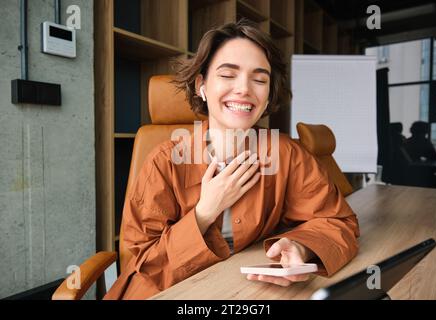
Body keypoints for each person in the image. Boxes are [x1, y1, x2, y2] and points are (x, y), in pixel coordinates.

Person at [104, 20, 360, 300]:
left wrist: (302, 247)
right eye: (228, 75)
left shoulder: (285, 154)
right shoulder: (163, 161)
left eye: (260, 79)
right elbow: (144, 263)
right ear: (202, 85)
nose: (244, 89)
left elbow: (337, 221)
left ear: (267, 94)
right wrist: (204, 213)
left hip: (244, 290)